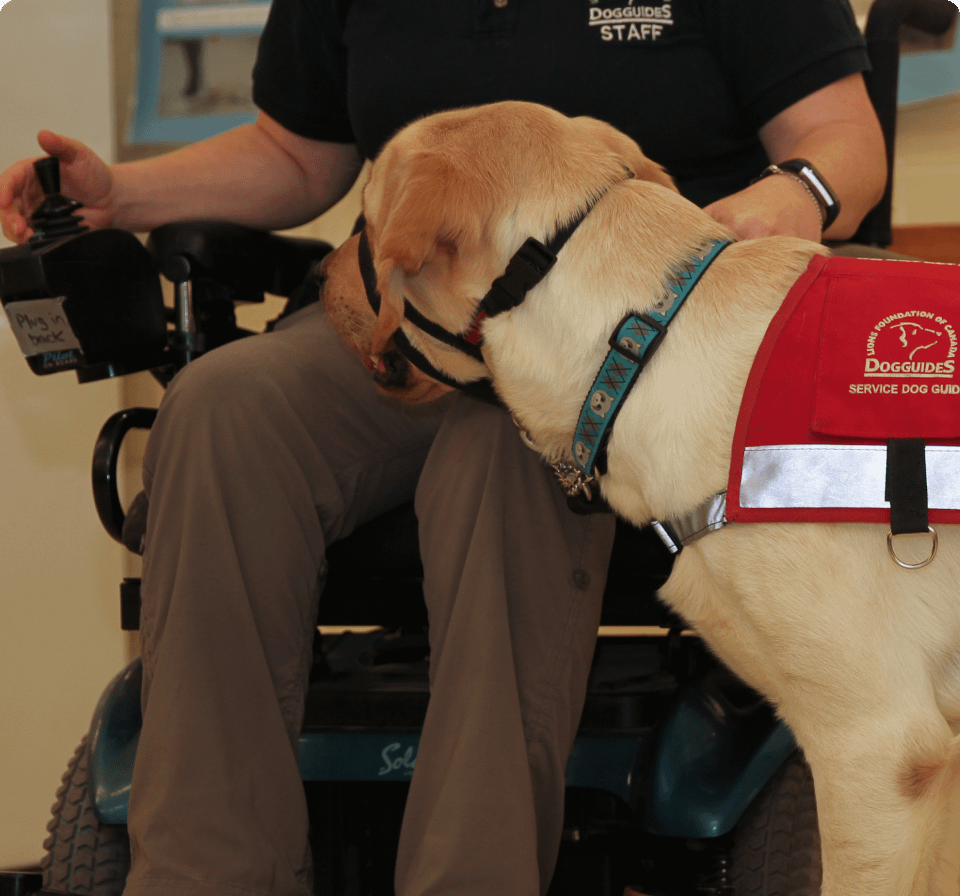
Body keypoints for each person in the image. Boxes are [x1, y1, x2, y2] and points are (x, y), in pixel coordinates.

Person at [0, 2, 886, 895]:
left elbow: (842, 134)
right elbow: (296, 153)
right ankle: (207, 873)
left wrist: (794, 195)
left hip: (610, 341)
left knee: (505, 452)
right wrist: (126, 195)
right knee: (219, 410)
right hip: (399, 312)